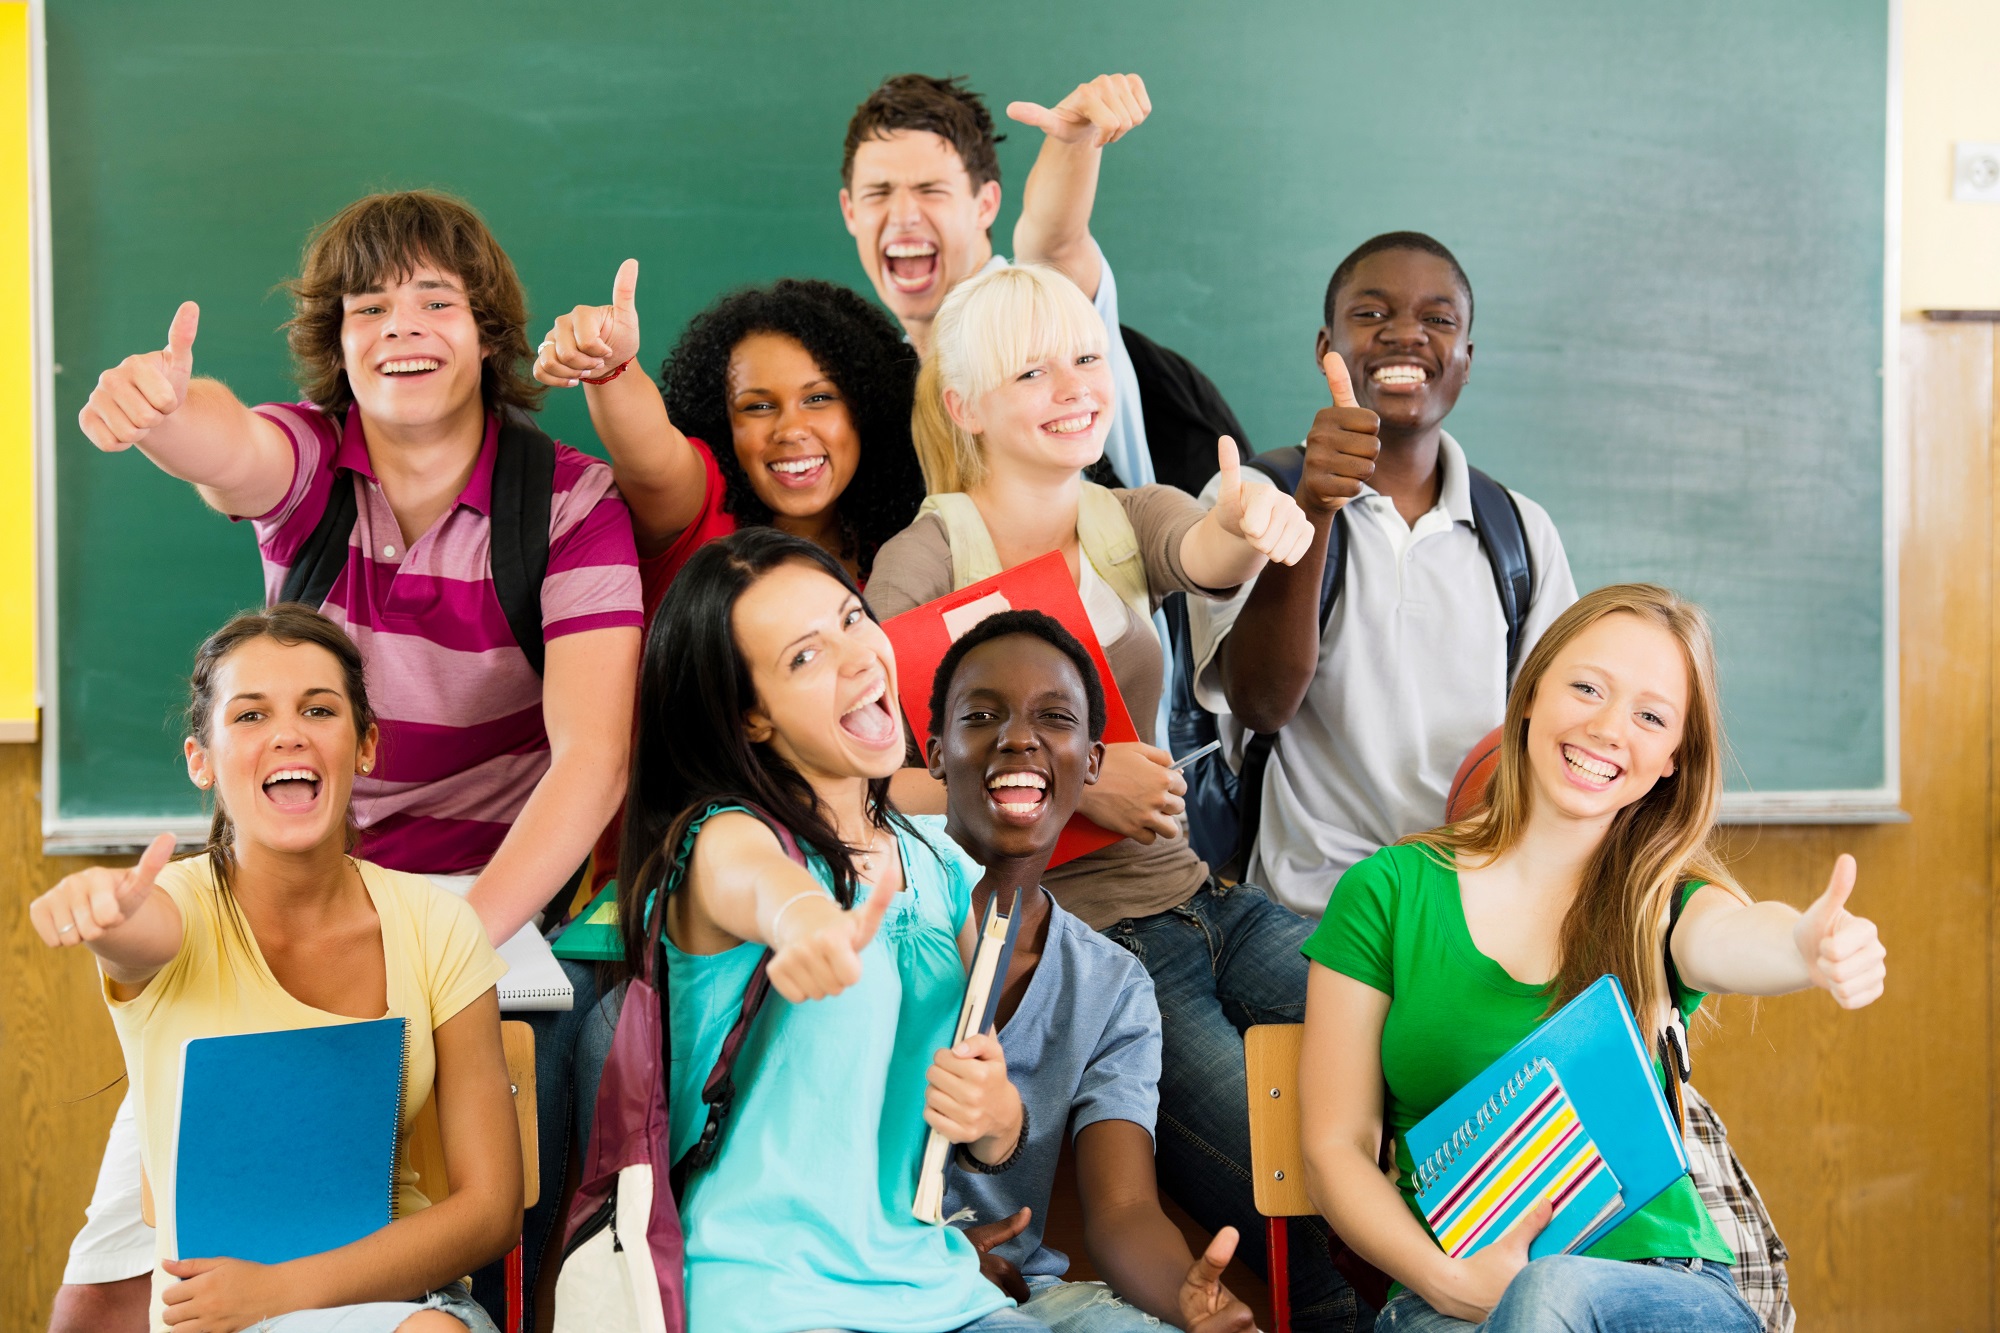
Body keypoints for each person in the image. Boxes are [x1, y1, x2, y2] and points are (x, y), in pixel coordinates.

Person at [67, 189, 642, 1329]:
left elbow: (591, 760)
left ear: (486, 330)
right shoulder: (311, 469)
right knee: (118, 1290)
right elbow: (227, 443)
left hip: (493, 906)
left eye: (435, 301)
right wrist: (162, 412)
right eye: (368, 308)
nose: (402, 328)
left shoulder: (569, 504)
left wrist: (442, 945)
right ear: (336, 345)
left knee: (544, 1126)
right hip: (285, 901)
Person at [869, 263, 1359, 1331]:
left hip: (1205, 898)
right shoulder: (922, 559)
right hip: (1100, 952)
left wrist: (1252, 515)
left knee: (1396, 1050)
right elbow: (866, 779)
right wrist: (1086, 786)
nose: (1072, 385)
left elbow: (1210, 543)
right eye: (1030, 370)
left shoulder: (1124, 515)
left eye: (1087, 357)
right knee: (1294, 1192)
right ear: (964, 407)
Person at [1297, 584, 1887, 1331]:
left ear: (1674, 758)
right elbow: (1334, 1147)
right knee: (1534, 1297)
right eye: (1586, 687)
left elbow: (1726, 938)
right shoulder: (1387, 890)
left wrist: (1803, 946)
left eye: (1650, 716)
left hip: (1663, 1290)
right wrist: (1446, 1282)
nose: (1609, 728)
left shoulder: (1660, 898)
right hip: (1450, 1298)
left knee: (1550, 1292)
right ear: (1532, 690)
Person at [28, 606, 521, 1333]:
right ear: (202, 759)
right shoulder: (173, 910)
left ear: (365, 746)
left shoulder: (437, 924)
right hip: (216, 1310)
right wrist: (101, 909)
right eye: (251, 714)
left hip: (398, 1294)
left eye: (318, 709)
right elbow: (140, 937)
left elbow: (491, 1210)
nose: (288, 732)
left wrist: (284, 1289)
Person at [616, 526, 1038, 1333]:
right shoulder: (717, 841)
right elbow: (760, 883)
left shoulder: (938, 860)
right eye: (803, 658)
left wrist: (997, 1117)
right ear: (752, 721)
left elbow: (968, 1112)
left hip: (927, 1281)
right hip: (765, 1292)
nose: (856, 657)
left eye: (850, 617)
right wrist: (805, 920)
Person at [1190, 231, 1577, 918]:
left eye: (1438, 319)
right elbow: (1260, 703)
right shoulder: (1250, 499)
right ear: (1324, 348)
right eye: (1370, 315)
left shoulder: (1522, 535)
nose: (1406, 335)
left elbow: (1552, 739)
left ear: (1466, 358)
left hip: (1469, 911)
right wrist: (1313, 509)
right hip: (1304, 910)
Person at [925, 609, 1255, 1333]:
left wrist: (1190, 1303)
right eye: (982, 715)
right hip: (864, 1273)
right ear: (936, 753)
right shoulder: (878, 893)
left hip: (1026, 1293)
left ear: (1094, 762)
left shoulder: (1113, 985)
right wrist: (931, 1261)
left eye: (1054, 716)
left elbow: (1125, 1208)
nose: (1019, 737)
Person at [839, 72, 1158, 493]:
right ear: (850, 212)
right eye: (878, 193)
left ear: (985, 204)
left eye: (930, 189)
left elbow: (1054, 243)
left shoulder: (1042, 302)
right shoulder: (886, 384)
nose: (902, 216)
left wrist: (1074, 140)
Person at [532, 266, 925, 593]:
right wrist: (611, 368)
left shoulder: (905, 548)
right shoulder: (704, 503)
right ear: (725, 422)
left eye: (819, 398)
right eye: (758, 406)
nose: (790, 429)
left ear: (866, 407)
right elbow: (650, 459)